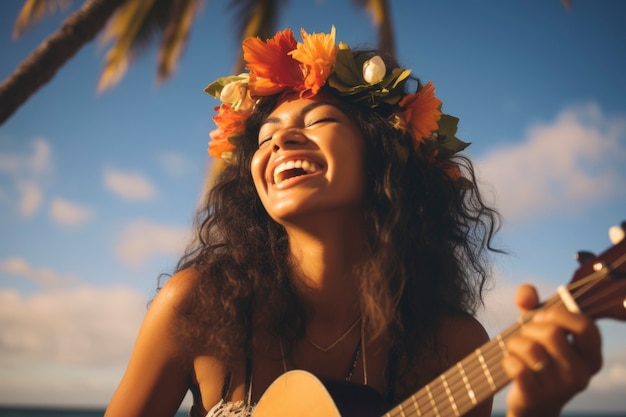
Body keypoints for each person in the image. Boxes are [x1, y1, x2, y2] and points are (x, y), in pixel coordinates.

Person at [104, 27, 602, 417]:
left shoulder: (451, 348)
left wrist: (536, 411)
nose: (280, 142)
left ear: (384, 157)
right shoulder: (198, 307)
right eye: (266, 137)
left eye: (317, 122)